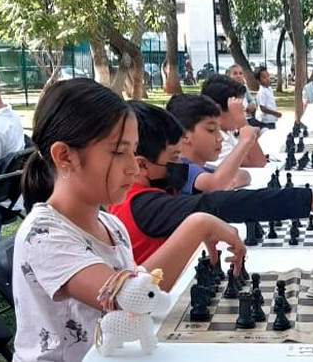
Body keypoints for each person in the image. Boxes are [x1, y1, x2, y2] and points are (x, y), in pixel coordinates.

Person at [13, 79, 245, 361]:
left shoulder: (111, 225)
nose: (134, 167)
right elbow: (128, 297)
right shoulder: (43, 235)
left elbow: (145, 294)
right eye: (118, 152)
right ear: (65, 156)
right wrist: (199, 224)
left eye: (133, 152)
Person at [109, 101, 313, 264]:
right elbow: (222, 204)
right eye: (173, 159)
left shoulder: (146, 193)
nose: (181, 166)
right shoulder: (145, 205)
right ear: (141, 165)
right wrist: (305, 199)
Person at [165, 94, 251, 194]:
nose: (220, 138)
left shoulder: (202, 168)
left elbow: (245, 175)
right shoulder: (182, 167)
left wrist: (227, 181)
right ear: (184, 136)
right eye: (211, 130)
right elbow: (216, 184)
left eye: (219, 130)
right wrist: (244, 142)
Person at [201, 74, 266, 168]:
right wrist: (242, 122)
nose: (242, 114)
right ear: (217, 110)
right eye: (237, 110)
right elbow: (258, 162)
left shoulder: (227, 133)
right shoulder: (216, 139)